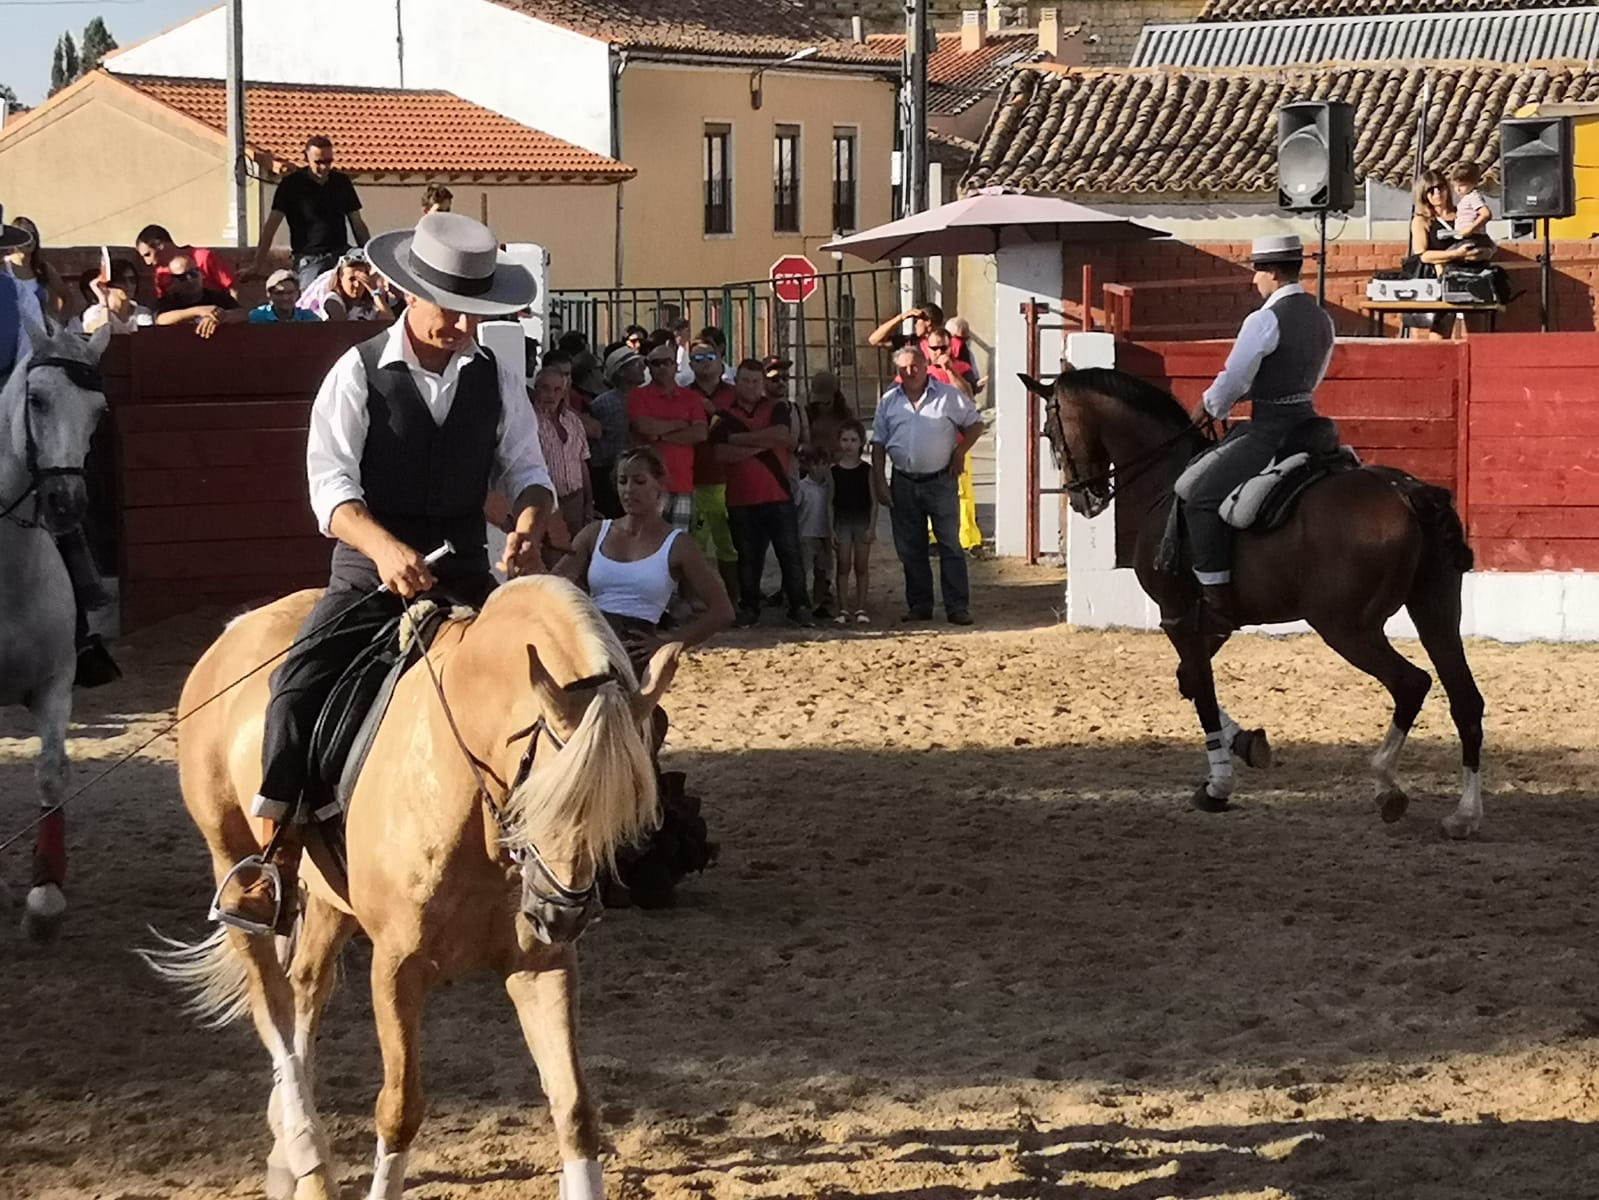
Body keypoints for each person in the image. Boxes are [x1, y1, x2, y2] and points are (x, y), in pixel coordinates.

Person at [213, 211, 554, 936]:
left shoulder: (497, 376)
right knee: (296, 687)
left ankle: (556, 855)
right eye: (450, 311)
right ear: (409, 294)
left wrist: (526, 523)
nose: (463, 326)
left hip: (464, 575)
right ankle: (273, 860)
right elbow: (330, 491)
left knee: (550, 695)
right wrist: (383, 550)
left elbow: (528, 468)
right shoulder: (356, 372)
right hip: (368, 576)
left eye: (475, 314)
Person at [1176, 234, 1336, 633]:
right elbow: (1312, 378)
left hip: (1271, 431)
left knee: (1199, 498)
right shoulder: (1322, 318)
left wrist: (1209, 407)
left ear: (1272, 272)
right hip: (1310, 424)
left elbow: (1234, 377)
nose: (1254, 281)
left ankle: (1217, 600)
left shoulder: (1263, 319)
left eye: (1257, 272)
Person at [557, 446, 732, 675]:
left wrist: (671, 642)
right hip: (591, 642)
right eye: (622, 482)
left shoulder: (678, 544)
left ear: (659, 484)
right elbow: (554, 581)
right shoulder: (595, 532)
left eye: (639, 481)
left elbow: (722, 611)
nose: (628, 490)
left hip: (636, 648)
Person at [871, 343, 984, 626]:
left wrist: (960, 452)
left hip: (940, 481)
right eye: (903, 368)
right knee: (911, 548)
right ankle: (920, 604)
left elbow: (975, 424)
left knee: (950, 545)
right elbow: (878, 444)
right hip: (903, 481)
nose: (910, 372)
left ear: (925, 366)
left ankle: (957, 606)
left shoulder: (948, 396)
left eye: (915, 366)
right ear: (897, 371)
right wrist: (879, 482)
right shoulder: (888, 401)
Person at [716, 358, 811, 627]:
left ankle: (800, 605)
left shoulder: (777, 407)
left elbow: (783, 436)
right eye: (745, 380)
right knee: (747, 557)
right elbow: (721, 452)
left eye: (755, 381)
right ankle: (749, 607)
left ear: (762, 383)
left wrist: (738, 440)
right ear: (737, 382)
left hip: (777, 493)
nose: (750, 386)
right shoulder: (724, 412)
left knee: (791, 554)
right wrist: (761, 444)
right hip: (740, 498)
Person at [250, 135, 371, 290]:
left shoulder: (341, 182)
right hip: (310, 259)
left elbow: (358, 224)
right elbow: (270, 228)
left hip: (342, 253)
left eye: (328, 161)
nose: (324, 167)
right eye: (319, 162)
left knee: (368, 280)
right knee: (308, 305)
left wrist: (369, 255)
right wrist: (257, 265)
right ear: (306, 158)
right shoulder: (290, 185)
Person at [627, 340, 706, 532]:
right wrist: (681, 425)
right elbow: (644, 427)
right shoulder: (637, 396)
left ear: (676, 366)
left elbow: (700, 433)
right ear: (648, 366)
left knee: (678, 542)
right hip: (648, 485)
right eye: (656, 363)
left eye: (667, 362)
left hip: (682, 483)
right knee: (647, 541)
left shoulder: (691, 398)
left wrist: (661, 436)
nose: (662, 367)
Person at [686, 337, 740, 602]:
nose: (704, 364)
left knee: (729, 543)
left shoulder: (734, 393)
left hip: (730, 477)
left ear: (720, 360)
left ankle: (734, 598)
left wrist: (716, 411)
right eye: (697, 359)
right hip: (694, 477)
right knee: (693, 544)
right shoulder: (684, 394)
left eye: (709, 357)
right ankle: (693, 599)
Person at [530, 362, 591, 552]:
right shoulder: (528, 421)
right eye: (546, 389)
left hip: (575, 499)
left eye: (557, 389)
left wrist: (588, 502)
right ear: (536, 390)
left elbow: (582, 462)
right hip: (545, 502)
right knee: (550, 558)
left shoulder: (572, 420)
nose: (551, 395)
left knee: (576, 557)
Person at [831, 417, 876, 625]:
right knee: (843, 565)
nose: (848, 444)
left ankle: (861, 607)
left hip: (862, 521)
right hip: (842, 522)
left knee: (861, 566)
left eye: (853, 440)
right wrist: (830, 528)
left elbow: (874, 501)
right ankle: (842, 608)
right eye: (844, 439)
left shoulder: (867, 470)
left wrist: (872, 527)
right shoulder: (834, 471)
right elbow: (830, 502)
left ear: (861, 442)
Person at [591, 344, 643, 519]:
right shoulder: (603, 404)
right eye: (635, 364)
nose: (642, 367)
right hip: (609, 473)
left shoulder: (647, 399)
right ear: (621, 371)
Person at [136, 223, 237, 300]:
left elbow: (233, 288)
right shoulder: (160, 273)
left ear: (159, 245)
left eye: (148, 254)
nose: (147, 262)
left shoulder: (203, 257)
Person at [154, 254, 243, 338]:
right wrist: (198, 311)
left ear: (201, 274)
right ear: (173, 281)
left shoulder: (218, 297)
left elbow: (242, 314)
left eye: (193, 274)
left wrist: (222, 316)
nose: (190, 280)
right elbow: (161, 320)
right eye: (182, 277)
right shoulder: (168, 301)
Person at [3, 216, 71, 322]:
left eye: (34, 235)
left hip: (40, 335)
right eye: (26, 234)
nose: (31, 239)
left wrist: (59, 325)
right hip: (12, 334)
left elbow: (67, 298)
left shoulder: (43, 268)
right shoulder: (4, 267)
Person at [794, 446, 834, 619]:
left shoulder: (830, 487)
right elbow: (795, 509)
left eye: (824, 464)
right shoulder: (802, 487)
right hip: (806, 533)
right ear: (809, 466)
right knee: (803, 570)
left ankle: (818, 603)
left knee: (823, 571)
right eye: (816, 464)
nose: (820, 468)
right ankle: (800, 602)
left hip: (825, 534)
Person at [298, 250, 393, 322]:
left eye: (361, 280)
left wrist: (374, 291)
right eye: (351, 279)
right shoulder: (333, 298)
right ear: (340, 279)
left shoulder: (373, 300)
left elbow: (389, 322)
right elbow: (343, 327)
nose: (356, 284)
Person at [79, 258, 153, 335]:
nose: (129, 285)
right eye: (122, 280)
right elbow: (96, 337)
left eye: (132, 280)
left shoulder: (142, 312)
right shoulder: (94, 312)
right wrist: (104, 302)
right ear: (108, 284)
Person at [1449, 162, 1494, 254]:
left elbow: (1486, 214)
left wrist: (1470, 229)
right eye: (1455, 185)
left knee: (1447, 255)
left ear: (1473, 183)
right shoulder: (1466, 198)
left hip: (1473, 237)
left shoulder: (1473, 197)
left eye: (1462, 185)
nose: (1457, 189)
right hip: (1465, 236)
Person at [247, 269, 321, 323]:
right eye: (279, 293)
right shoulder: (257, 317)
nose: (285, 298)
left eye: (290, 293)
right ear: (269, 294)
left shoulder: (308, 318)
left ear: (298, 294)